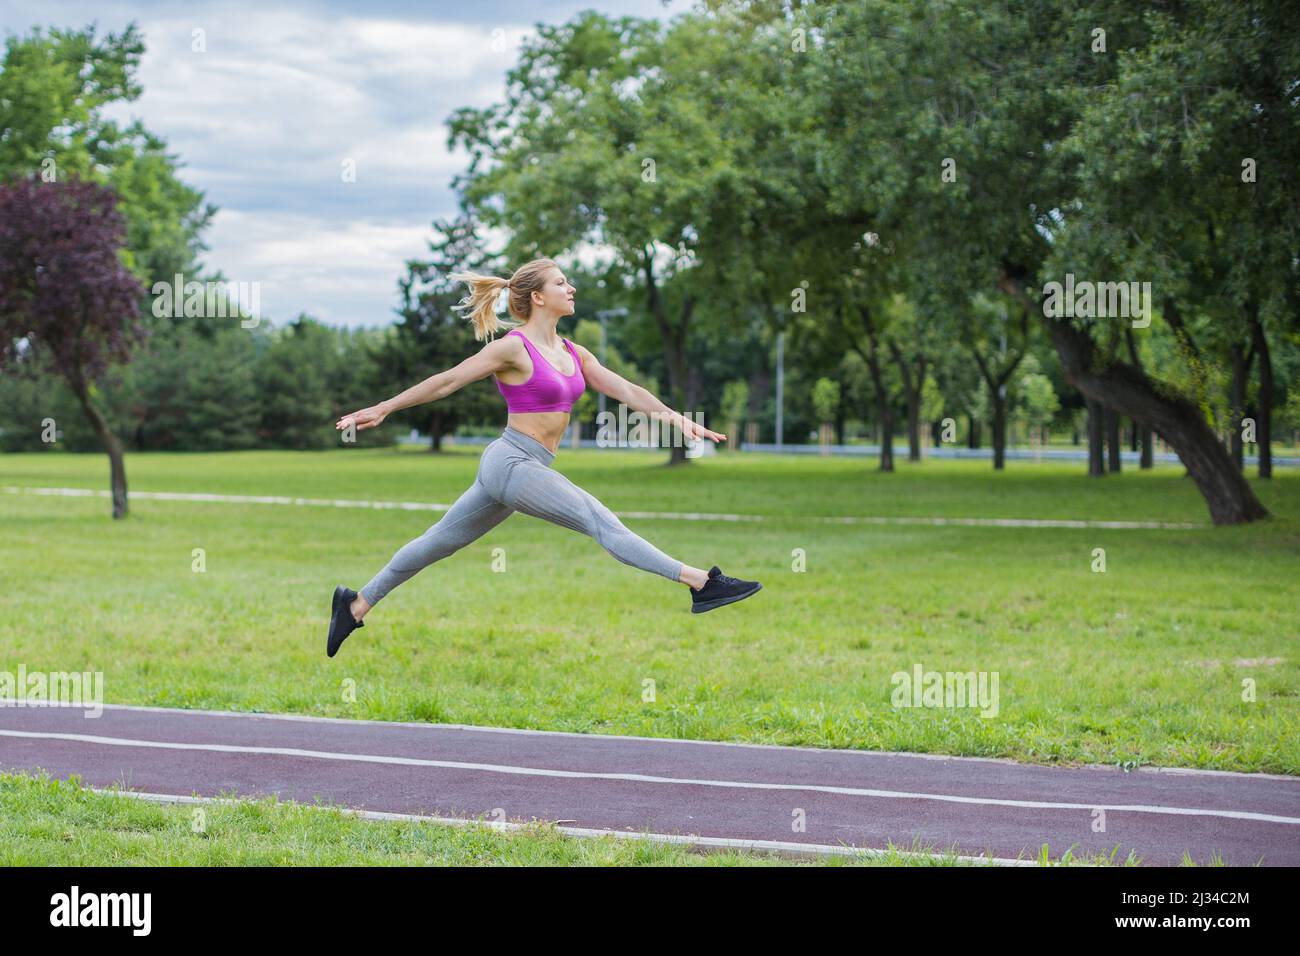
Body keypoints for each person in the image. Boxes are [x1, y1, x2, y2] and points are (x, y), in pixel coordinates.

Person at [326, 258, 762, 657]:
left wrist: (675, 419)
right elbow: (447, 382)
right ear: (538, 297)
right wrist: (384, 407)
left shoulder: (574, 352)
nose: (570, 288)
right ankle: (702, 583)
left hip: (524, 466)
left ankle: (356, 604)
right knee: (599, 520)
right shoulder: (513, 348)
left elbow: (626, 390)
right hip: (512, 463)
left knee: (438, 542)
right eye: (561, 282)